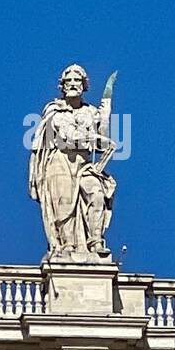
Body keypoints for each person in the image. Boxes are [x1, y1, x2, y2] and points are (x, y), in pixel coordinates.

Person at [28, 64, 116, 260]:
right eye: (69, 80)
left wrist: (105, 116)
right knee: (64, 203)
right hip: (60, 161)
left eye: (77, 80)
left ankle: (95, 242)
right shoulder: (55, 110)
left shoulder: (91, 112)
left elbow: (102, 142)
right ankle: (67, 246)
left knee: (96, 192)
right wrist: (93, 138)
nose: (73, 84)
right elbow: (67, 135)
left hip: (83, 164)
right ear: (63, 85)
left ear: (84, 85)